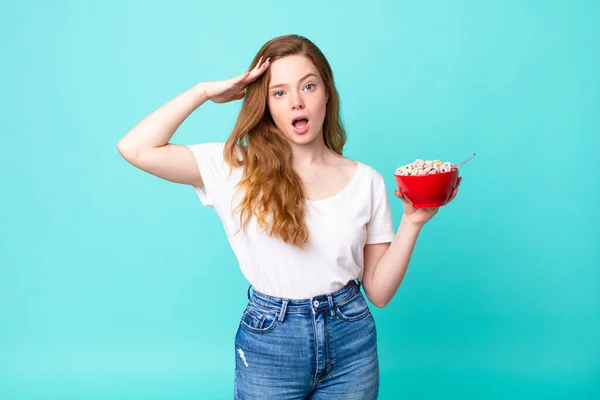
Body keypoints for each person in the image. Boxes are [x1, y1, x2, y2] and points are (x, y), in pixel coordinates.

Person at [117, 34, 459, 400]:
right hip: (270, 342)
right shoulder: (233, 167)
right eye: (279, 92)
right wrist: (203, 92)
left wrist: (412, 222)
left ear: (326, 92)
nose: (297, 101)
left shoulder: (366, 180)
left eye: (308, 86)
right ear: (264, 104)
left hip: (351, 339)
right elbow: (135, 148)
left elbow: (378, 291)